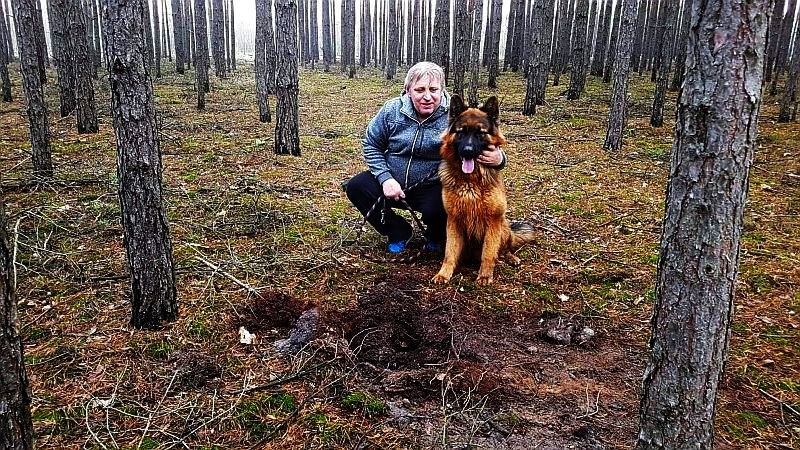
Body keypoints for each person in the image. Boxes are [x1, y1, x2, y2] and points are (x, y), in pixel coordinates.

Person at [346, 61, 507, 253]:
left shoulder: (455, 115)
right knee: (357, 187)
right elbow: (371, 144)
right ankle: (398, 231)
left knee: (446, 202)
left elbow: (478, 139)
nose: (427, 97)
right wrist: (386, 179)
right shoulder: (391, 111)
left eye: (433, 89)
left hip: (433, 187)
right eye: (420, 90)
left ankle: (436, 235)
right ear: (408, 90)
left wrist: (500, 159)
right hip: (393, 183)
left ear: (442, 90)